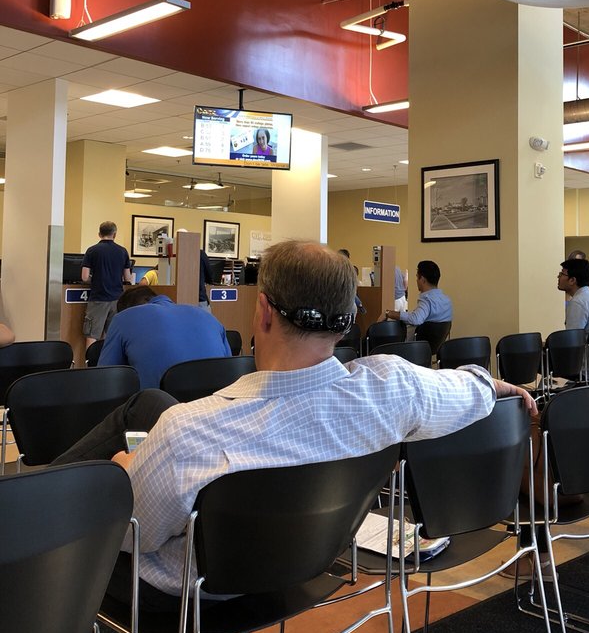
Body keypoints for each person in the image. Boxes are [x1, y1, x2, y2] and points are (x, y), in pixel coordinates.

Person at [54, 241, 536, 607]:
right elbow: (466, 389)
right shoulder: (394, 389)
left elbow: (132, 536)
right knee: (149, 404)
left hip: (197, 596)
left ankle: (29, 512)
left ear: (263, 311)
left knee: (74, 528)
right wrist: (496, 385)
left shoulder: (190, 431)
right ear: (346, 323)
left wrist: (124, 474)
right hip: (314, 565)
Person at [97, 285, 232, 388]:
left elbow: (104, 378)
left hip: (160, 410)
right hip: (214, 407)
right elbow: (230, 369)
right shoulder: (209, 317)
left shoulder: (123, 318)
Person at [81, 221, 133, 349]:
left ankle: (90, 361)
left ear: (99, 234)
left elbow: (84, 277)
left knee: (92, 334)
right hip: (117, 299)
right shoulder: (122, 251)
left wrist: (95, 279)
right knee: (111, 336)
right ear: (114, 234)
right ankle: (108, 361)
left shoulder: (92, 251)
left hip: (98, 298)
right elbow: (128, 278)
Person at [382, 260, 451, 326]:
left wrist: (390, 313)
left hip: (423, 334)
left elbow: (415, 319)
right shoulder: (447, 300)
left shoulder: (427, 300)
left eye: (417, 277)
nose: (416, 281)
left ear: (423, 280)